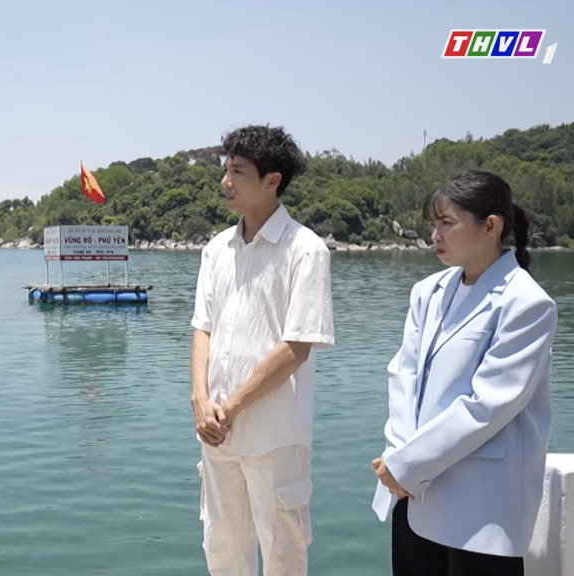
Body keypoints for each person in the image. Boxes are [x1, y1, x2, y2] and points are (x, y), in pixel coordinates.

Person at [371, 170, 558, 576]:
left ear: (490, 226)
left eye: (446, 223)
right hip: (412, 495)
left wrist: (408, 466)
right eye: (433, 224)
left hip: (481, 506)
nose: (434, 235)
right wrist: (400, 458)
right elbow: (404, 376)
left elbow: (487, 406)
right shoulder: (428, 292)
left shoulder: (526, 303)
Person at [190, 125, 335, 576]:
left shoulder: (305, 250)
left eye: (238, 171)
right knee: (222, 547)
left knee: (282, 553)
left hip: (274, 434)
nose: (225, 181)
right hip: (217, 431)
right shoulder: (217, 249)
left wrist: (231, 406)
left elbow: (296, 347)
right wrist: (200, 400)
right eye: (226, 169)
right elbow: (202, 328)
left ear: (272, 180)